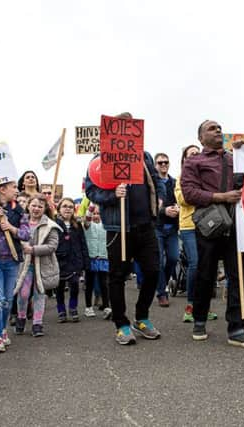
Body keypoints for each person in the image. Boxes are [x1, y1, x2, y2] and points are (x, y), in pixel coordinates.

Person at [85, 112, 165, 345]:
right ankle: (121, 324)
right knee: (117, 276)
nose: (126, 130)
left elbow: (157, 181)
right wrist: (112, 195)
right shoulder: (100, 158)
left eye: (130, 126)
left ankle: (142, 317)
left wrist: (158, 199)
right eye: (121, 127)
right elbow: (91, 191)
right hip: (118, 227)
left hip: (146, 225)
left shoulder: (145, 155)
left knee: (152, 271)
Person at [181, 120, 244, 348]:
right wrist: (221, 197)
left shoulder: (236, 158)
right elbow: (189, 193)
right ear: (201, 138)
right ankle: (199, 319)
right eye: (211, 128)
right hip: (210, 226)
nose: (218, 130)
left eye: (219, 127)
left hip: (238, 226)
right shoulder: (194, 162)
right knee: (205, 275)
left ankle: (237, 328)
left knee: (238, 276)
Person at [0, 180, 31, 353]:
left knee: (8, 299)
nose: (17, 191)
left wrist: (11, 227)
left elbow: (26, 234)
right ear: (2, 189)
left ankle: (2, 329)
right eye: (14, 188)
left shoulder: (18, 210)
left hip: (12, 259)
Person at [175, 144, 218, 322]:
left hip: (208, 225)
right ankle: (190, 306)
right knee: (195, 264)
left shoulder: (208, 177)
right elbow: (183, 199)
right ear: (184, 160)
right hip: (190, 226)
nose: (195, 156)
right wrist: (206, 195)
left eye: (197, 153)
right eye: (190, 154)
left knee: (208, 266)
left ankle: (204, 307)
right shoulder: (180, 178)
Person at [14, 193, 61, 336]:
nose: (36, 208)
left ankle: (37, 324)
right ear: (28, 206)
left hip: (43, 265)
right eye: (33, 205)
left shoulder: (50, 225)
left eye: (40, 206)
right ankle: (21, 318)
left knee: (39, 294)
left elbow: (52, 246)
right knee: (23, 293)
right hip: (24, 265)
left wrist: (33, 250)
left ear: (45, 208)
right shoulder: (20, 222)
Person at [54, 197, 90, 322]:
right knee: (59, 288)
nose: (67, 209)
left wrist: (85, 262)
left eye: (70, 207)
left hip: (75, 261)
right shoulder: (54, 224)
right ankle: (61, 310)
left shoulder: (77, 225)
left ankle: (73, 308)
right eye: (64, 206)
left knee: (75, 286)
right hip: (59, 261)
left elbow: (83, 243)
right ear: (59, 209)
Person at [154, 152, 179, 308]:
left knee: (173, 258)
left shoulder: (175, 182)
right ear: (155, 165)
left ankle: (164, 281)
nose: (163, 164)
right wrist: (164, 211)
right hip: (157, 227)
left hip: (173, 228)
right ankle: (162, 292)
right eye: (160, 162)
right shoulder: (152, 184)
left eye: (166, 162)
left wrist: (177, 208)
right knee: (159, 261)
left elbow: (181, 199)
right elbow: (150, 205)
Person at [83, 204, 111, 319]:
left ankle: (106, 306)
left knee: (104, 283)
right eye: (94, 213)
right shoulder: (87, 226)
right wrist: (91, 206)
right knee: (89, 283)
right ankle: (88, 307)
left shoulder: (106, 225)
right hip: (91, 258)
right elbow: (87, 219)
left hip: (103, 258)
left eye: (98, 213)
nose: (96, 216)